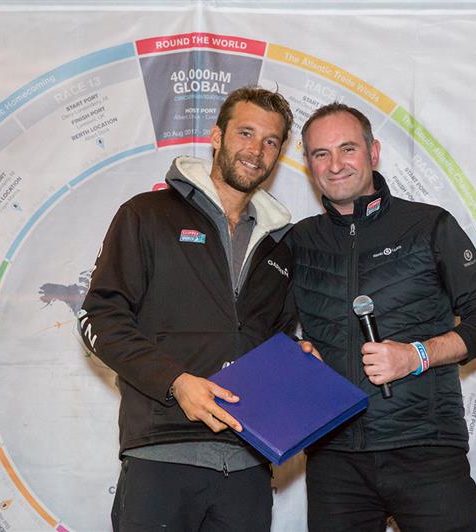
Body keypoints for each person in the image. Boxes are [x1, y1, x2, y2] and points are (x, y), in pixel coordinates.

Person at [78, 87, 308, 531]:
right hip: (161, 452)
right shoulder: (146, 214)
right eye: (245, 132)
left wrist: (299, 358)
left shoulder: (283, 244)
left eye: (271, 141)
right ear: (216, 136)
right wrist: (176, 382)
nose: (256, 150)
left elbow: (276, 339)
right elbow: (99, 317)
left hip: (249, 463)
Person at [287, 102, 476, 532]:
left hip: (426, 449)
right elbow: (264, 328)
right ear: (308, 163)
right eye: (320, 154)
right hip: (334, 458)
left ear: (373, 152)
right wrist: (297, 352)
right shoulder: (299, 241)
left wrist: (416, 355)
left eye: (347, 148)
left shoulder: (428, 225)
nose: (335, 165)